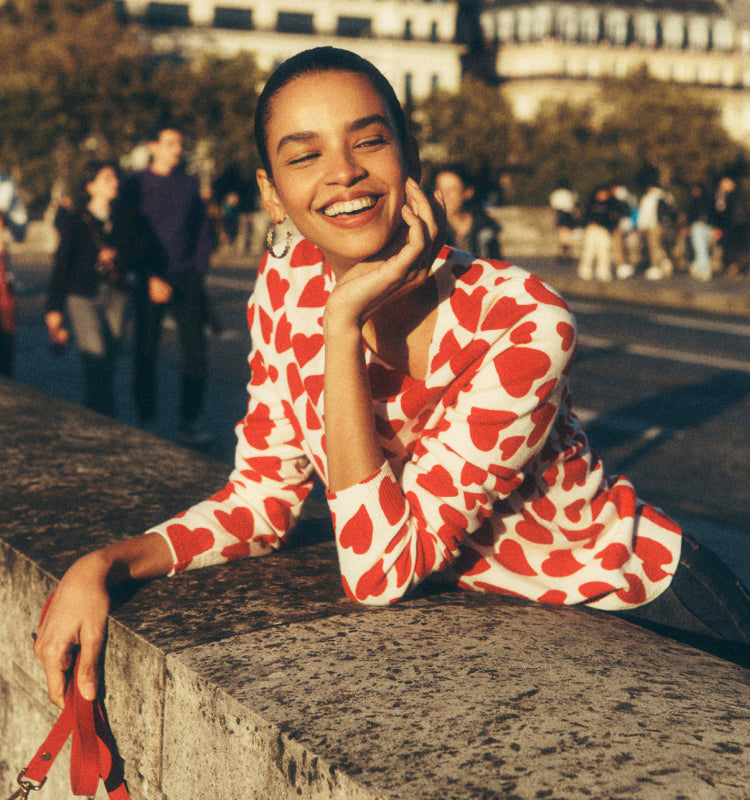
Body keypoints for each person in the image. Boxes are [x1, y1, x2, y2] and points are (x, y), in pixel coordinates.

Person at [34, 47, 750, 710]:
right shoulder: (282, 288)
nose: (342, 171)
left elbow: (378, 571)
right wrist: (106, 564)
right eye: (304, 155)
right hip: (502, 634)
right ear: (273, 193)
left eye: (369, 141)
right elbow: (259, 501)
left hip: (644, 603)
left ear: (409, 158)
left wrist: (341, 323)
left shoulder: (524, 320)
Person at [119, 123, 214, 444]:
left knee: (197, 350)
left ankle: (189, 421)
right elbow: (128, 231)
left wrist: (199, 267)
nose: (178, 149)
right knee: (146, 349)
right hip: (150, 276)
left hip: (186, 275)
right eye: (171, 142)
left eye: (180, 143)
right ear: (153, 146)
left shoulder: (188, 184)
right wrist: (146, 275)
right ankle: (146, 419)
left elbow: (202, 227)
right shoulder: (135, 183)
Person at [45, 161, 138, 416]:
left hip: (117, 295)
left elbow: (137, 252)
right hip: (82, 296)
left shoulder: (125, 217)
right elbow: (62, 265)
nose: (115, 183)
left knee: (108, 361)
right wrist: (54, 308)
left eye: (115, 178)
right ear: (91, 186)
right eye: (107, 178)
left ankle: (94, 414)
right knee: (95, 356)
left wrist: (117, 256)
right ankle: (104, 416)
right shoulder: (75, 220)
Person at [433, 163, 502, 259]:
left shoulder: (485, 230)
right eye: (440, 189)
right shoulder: (431, 229)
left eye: (453, 189)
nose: (445, 195)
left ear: (468, 192)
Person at [0, 172, 28, 377]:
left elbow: (21, 231)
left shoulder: (5, 184)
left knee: (6, 333)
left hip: (1, 268)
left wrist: (5, 217)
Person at [713, 173, 749, 278]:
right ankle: (737, 268)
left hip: (736, 226)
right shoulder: (725, 195)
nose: (722, 186)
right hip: (734, 226)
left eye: (725, 183)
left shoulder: (734, 196)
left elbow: (731, 213)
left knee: (736, 251)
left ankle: (738, 268)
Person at [685, 183, 714, 282]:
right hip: (705, 226)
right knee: (701, 247)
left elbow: (691, 215)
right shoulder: (708, 200)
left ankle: (704, 269)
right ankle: (698, 267)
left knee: (700, 247)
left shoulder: (694, 201)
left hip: (698, 226)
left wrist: (688, 225)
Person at [549, 178, 578, 264]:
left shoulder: (556, 194)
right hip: (568, 215)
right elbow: (574, 207)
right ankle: (567, 254)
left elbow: (554, 207)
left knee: (562, 235)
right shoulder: (571, 193)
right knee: (567, 235)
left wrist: (554, 218)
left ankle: (564, 254)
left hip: (561, 214)